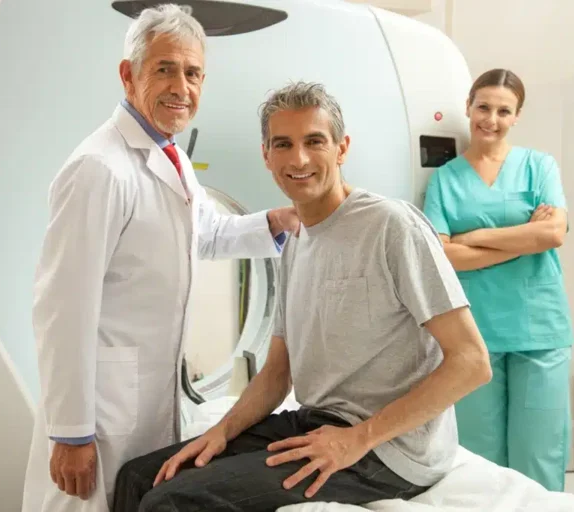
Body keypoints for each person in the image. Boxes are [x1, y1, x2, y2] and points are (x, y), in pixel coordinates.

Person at [111, 81, 493, 511]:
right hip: (317, 422)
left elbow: (472, 363)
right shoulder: (296, 241)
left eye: (314, 141)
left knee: (172, 502)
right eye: (284, 144)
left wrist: (356, 440)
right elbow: (278, 373)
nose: (299, 159)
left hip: (390, 451)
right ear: (266, 156)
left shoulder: (391, 226)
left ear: (341, 148)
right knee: (138, 476)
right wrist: (221, 431)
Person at [20, 5, 300, 511]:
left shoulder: (171, 155)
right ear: (129, 75)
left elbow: (205, 236)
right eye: (164, 69)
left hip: (151, 395)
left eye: (193, 73)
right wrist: (71, 432)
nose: (181, 86)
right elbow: (63, 306)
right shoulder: (98, 169)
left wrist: (275, 222)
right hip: (102, 410)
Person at [421, 68, 573, 492]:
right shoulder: (447, 179)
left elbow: (554, 232)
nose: (491, 119)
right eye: (483, 107)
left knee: (539, 450)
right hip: (475, 332)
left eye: (503, 111)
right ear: (468, 106)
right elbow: (444, 256)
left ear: (517, 116)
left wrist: (478, 237)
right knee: (480, 454)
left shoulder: (539, 166)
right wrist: (526, 238)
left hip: (539, 328)